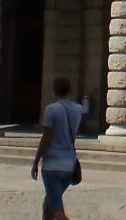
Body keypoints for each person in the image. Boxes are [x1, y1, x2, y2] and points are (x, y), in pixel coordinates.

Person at [31, 77, 83, 220]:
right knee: (48, 204)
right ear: (70, 90)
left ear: (54, 91)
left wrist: (36, 161)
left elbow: (46, 138)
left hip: (52, 166)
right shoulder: (78, 109)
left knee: (57, 210)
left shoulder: (51, 109)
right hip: (69, 165)